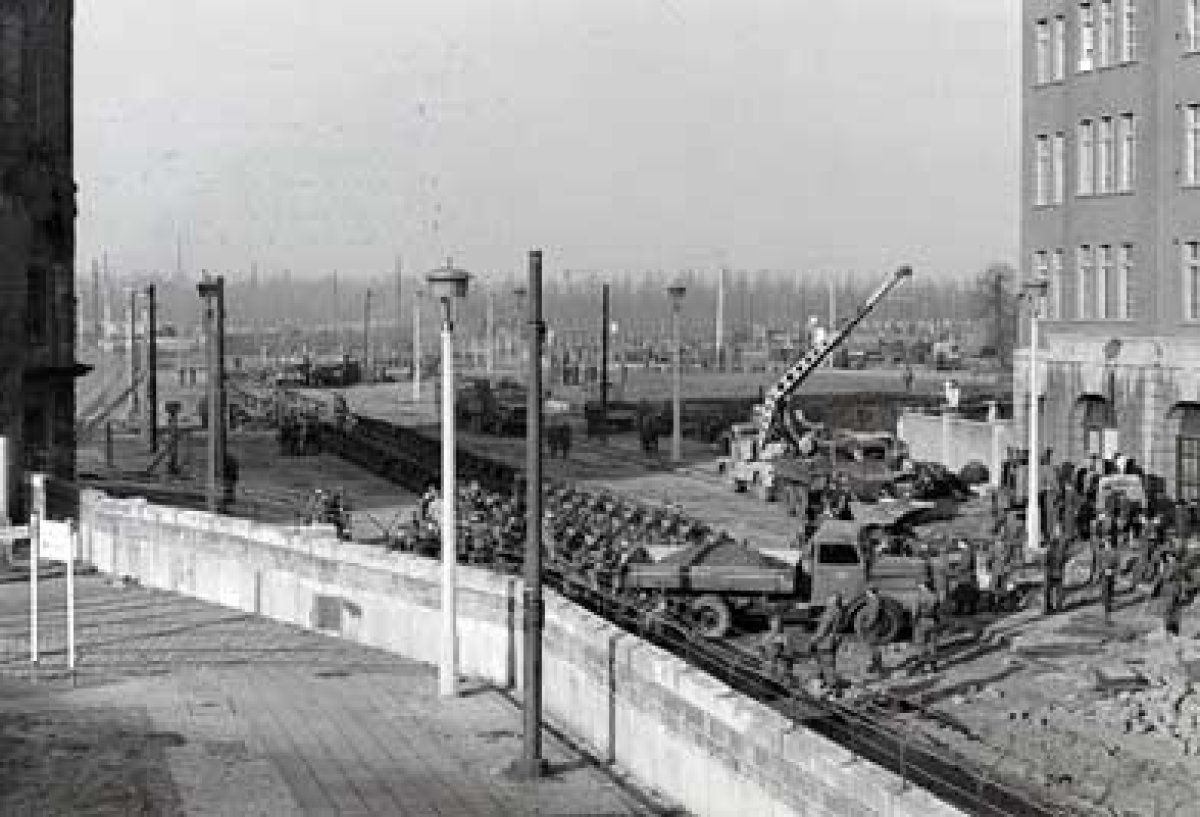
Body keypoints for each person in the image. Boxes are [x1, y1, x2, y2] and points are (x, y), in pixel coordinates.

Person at [809, 594, 844, 686]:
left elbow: (823, 630)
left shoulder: (830, 612)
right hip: (832, 641)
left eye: (829, 599)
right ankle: (824, 684)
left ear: (833, 601)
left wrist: (813, 640)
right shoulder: (839, 611)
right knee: (826, 665)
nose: (827, 600)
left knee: (826, 665)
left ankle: (832, 687)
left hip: (824, 643)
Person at [912, 580, 941, 673]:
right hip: (933, 621)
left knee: (921, 644)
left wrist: (914, 621)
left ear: (924, 585)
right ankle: (934, 666)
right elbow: (938, 609)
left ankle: (922, 666)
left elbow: (916, 611)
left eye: (920, 584)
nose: (918, 586)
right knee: (932, 643)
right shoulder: (935, 595)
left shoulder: (920, 596)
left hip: (922, 621)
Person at [1043, 531, 1066, 614]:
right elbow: (1063, 560)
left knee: (1048, 592)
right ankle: (1059, 607)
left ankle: (1047, 608)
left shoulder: (1048, 550)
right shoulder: (1060, 551)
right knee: (1059, 591)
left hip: (1049, 573)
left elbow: (1045, 562)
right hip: (1058, 573)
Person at [1098, 540, 1119, 622]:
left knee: (1110, 591)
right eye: (1106, 544)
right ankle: (1107, 609)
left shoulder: (1114, 553)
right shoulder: (1101, 553)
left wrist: (1113, 572)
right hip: (1104, 575)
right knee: (1105, 591)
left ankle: (1108, 604)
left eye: (1108, 544)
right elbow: (1099, 564)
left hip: (1111, 575)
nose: (1107, 545)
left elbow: (1117, 565)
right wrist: (1100, 571)